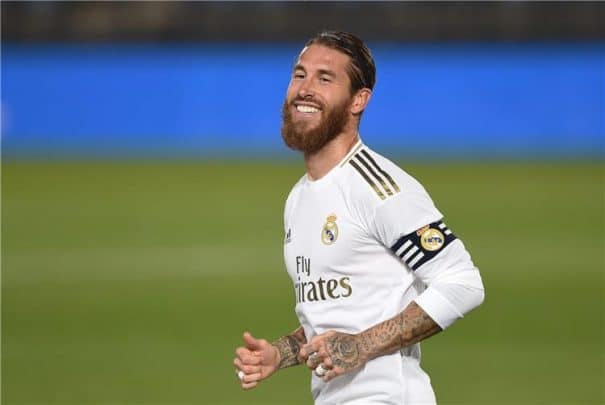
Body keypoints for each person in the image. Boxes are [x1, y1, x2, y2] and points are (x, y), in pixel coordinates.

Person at [233, 31, 485, 404]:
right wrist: (280, 354)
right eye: (300, 74)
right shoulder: (299, 198)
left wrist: (361, 346)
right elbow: (341, 314)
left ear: (358, 100)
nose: (305, 89)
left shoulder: (378, 188)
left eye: (325, 78)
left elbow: (462, 283)